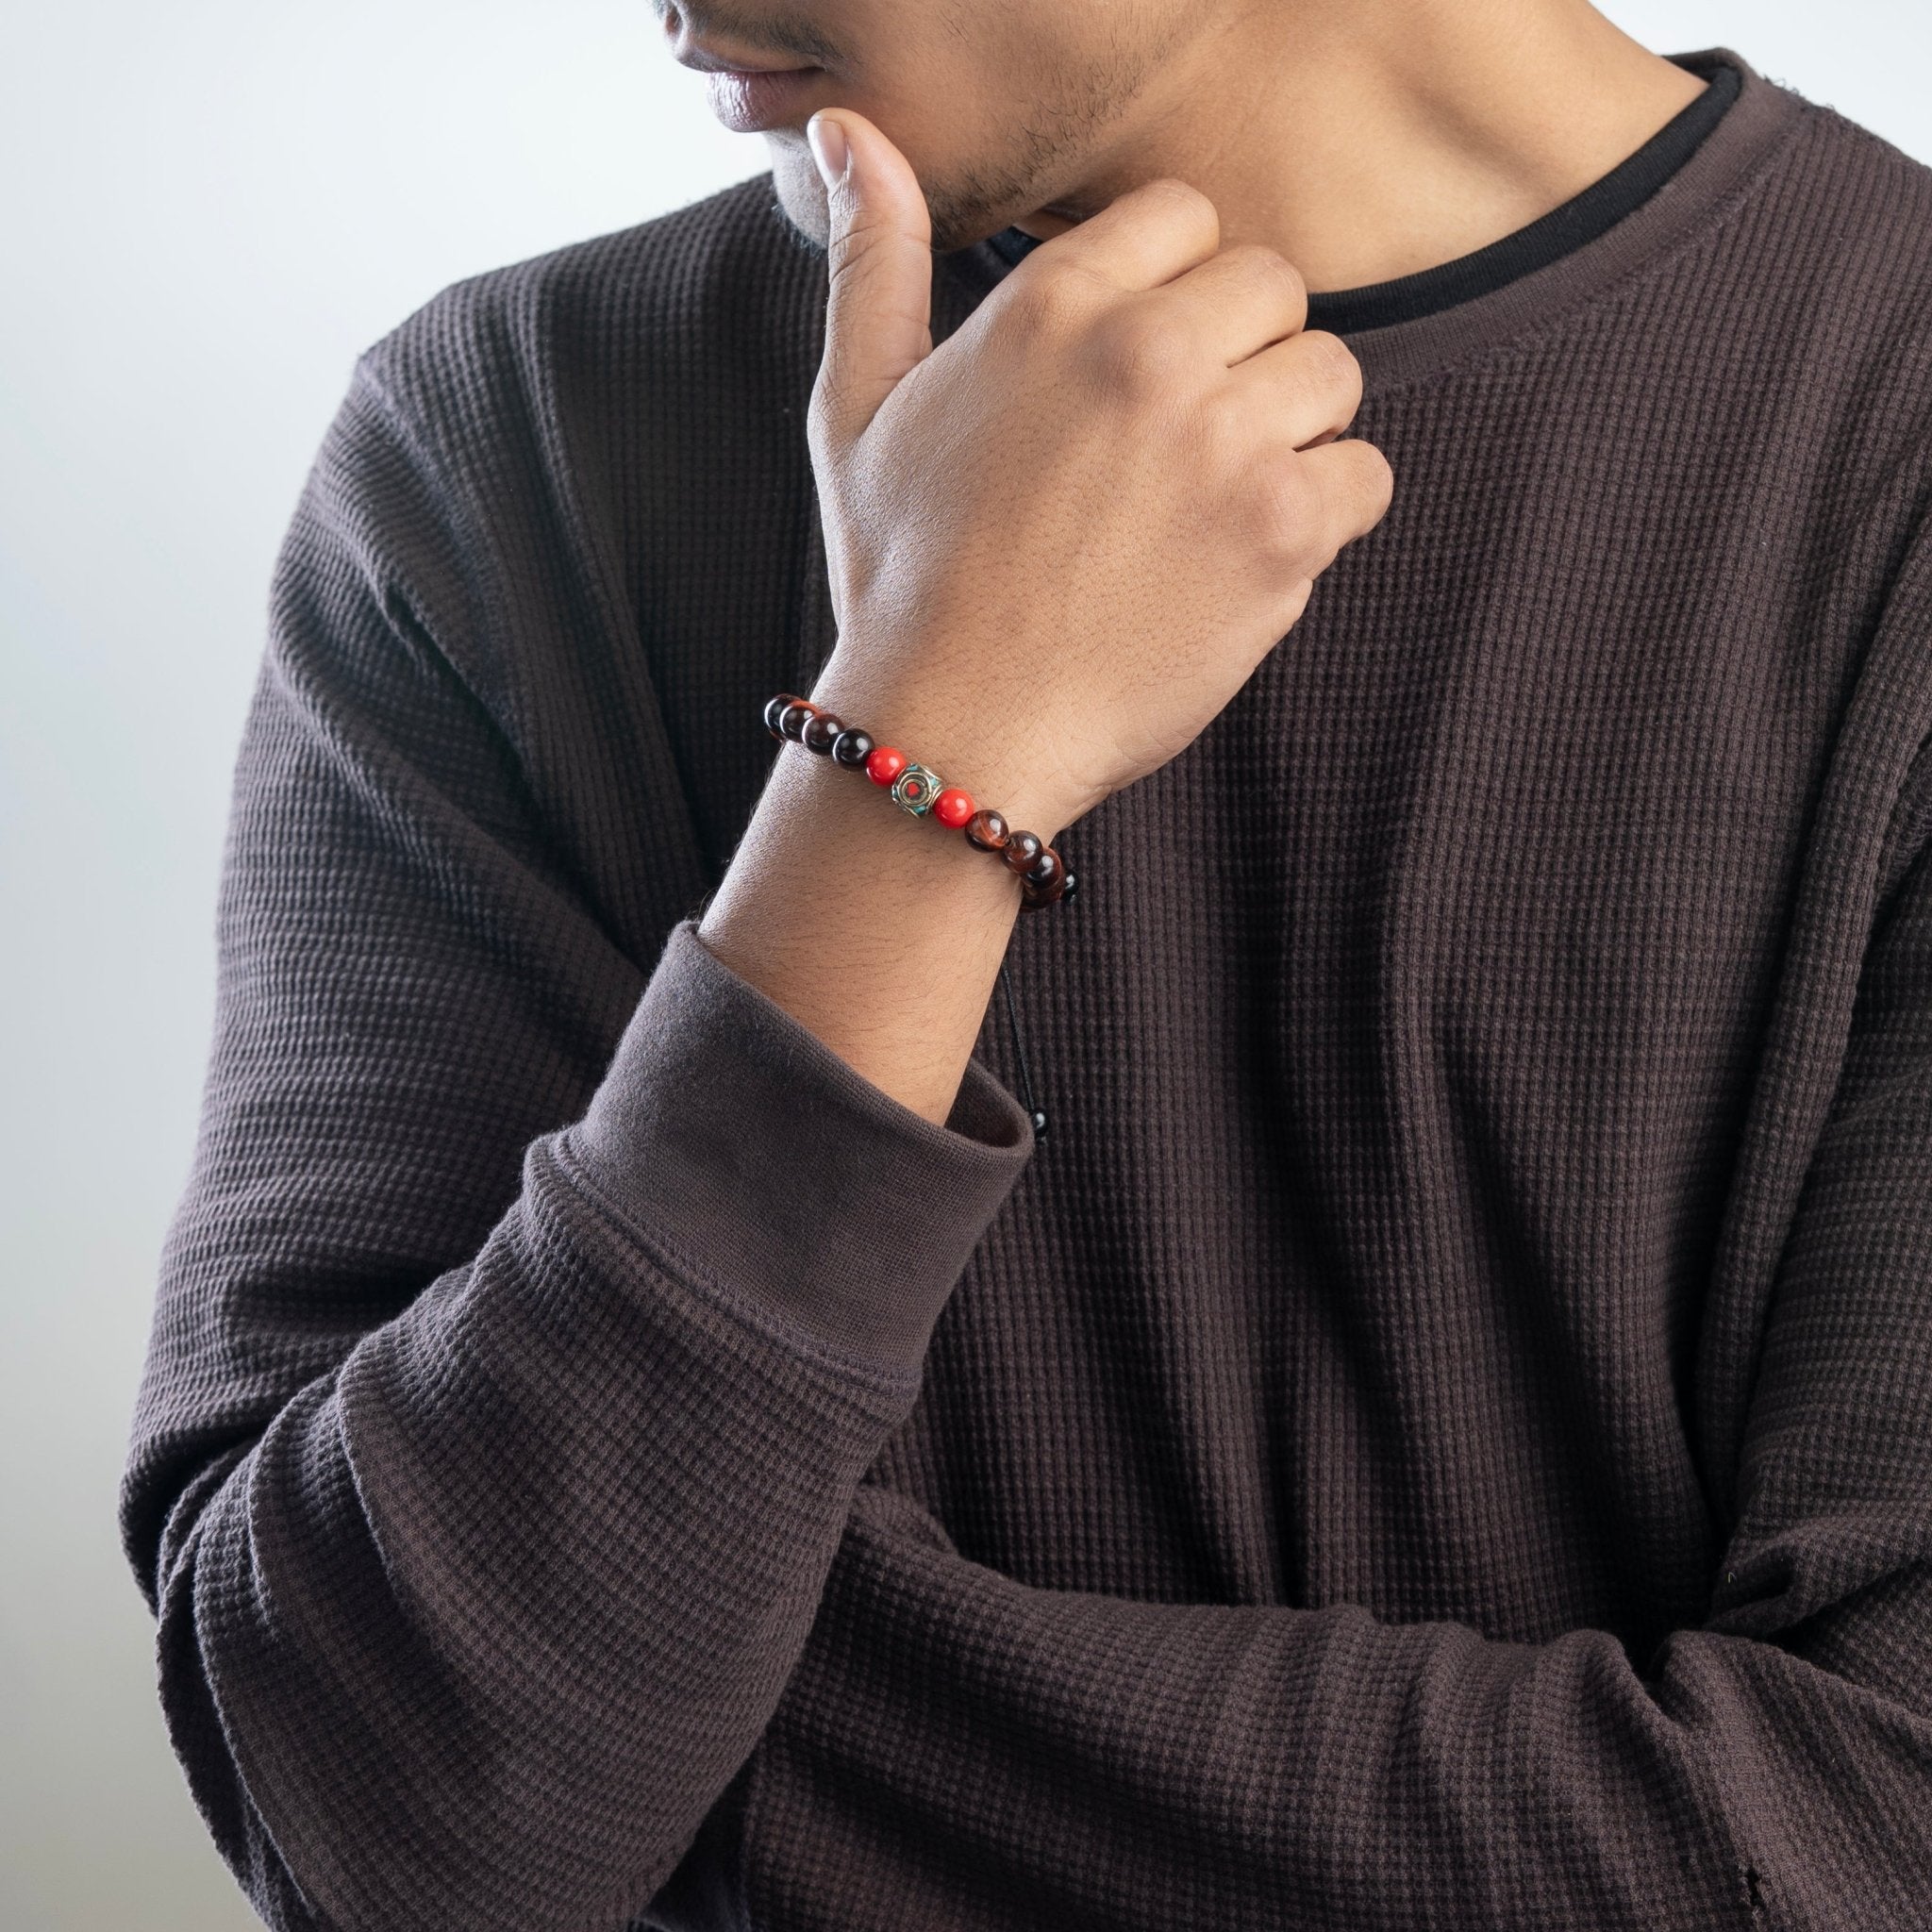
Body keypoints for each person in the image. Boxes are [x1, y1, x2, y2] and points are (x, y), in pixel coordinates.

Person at [122, 0, 1932, 1924]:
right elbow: (367, 1801)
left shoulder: (1882, 451)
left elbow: (1869, 1829)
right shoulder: (516, 444)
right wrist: (926, 744)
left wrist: (639, 1712)